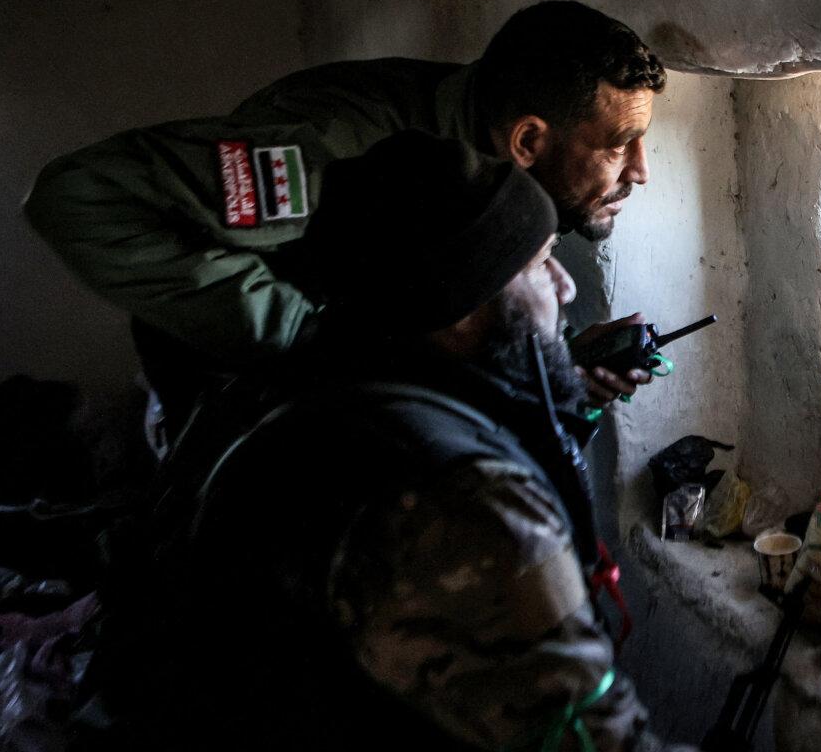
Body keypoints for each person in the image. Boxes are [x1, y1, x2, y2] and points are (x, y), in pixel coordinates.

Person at [86, 130, 695, 751]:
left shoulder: (303, 388)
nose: (565, 288)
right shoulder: (458, 500)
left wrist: (562, 389)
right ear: (461, 306)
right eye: (540, 264)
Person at [23, 1, 666, 438]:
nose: (640, 171)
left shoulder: (500, 152)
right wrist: (304, 336)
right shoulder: (339, 149)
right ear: (527, 141)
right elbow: (80, 197)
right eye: (620, 146)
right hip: (250, 416)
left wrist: (549, 355)